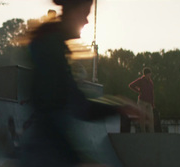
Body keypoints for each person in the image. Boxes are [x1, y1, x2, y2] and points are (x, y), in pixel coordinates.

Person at [19, 0, 140, 166]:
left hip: (46, 153)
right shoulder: (49, 49)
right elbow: (51, 114)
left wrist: (119, 108)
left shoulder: (55, 49)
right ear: (72, 12)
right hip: (44, 155)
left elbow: (80, 106)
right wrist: (77, 161)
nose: (86, 21)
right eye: (84, 14)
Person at [129, 67, 154, 133]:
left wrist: (152, 103)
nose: (150, 75)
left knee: (151, 118)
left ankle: (151, 132)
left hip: (149, 102)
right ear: (145, 74)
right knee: (142, 117)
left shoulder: (150, 82)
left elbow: (152, 93)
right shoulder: (141, 80)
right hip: (142, 101)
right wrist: (138, 91)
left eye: (150, 74)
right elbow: (131, 85)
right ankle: (143, 131)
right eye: (149, 74)